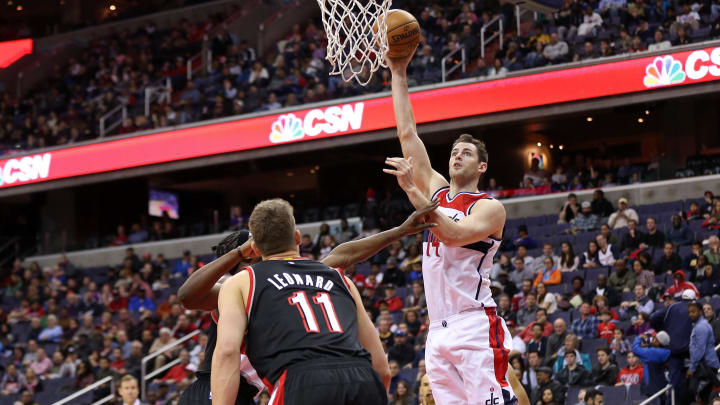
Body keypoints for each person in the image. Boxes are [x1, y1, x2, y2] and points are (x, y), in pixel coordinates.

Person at [180, 204, 438, 405]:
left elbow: (343, 254)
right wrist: (236, 253)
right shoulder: (236, 285)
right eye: (250, 254)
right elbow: (187, 296)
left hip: (267, 388)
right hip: (212, 390)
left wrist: (401, 231)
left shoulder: (291, 278)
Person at [385, 50, 516, 405]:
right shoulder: (438, 190)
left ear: (482, 167)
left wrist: (412, 190)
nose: (457, 155)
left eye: (467, 153)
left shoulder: (489, 207)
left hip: (474, 324)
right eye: (455, 151)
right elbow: (407, 133)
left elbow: (453, 234)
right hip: (437, 329)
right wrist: (398, 72)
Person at [211, 199, 391, 404]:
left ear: (255, 248)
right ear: (297, 238)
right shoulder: (341, 279)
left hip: (303, 380)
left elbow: (227, 352)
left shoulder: (242, 281)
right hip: (363, 379)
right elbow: (382, 368)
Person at [650, 290, 694, 402]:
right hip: (689, 350)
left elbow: (653, 318)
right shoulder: (695, 309)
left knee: (674, 384)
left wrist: (662, 331)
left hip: (672, 349)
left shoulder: (672, 307)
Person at [687, 301, 720, 402]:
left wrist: (692, 368)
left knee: (691, 391)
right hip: (704, 365)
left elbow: (700, 349)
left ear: (700, 312)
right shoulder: (698, 325)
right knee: (704, 395)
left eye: (693, 312)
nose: (690, 314)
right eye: (689, 312)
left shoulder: (701, 326)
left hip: (705, 365)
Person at [632, 331, 671, 400]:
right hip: (660, 385)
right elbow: (653, 347)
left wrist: (639, 338)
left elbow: (635, 349)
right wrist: (648, 342)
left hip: (652, 388)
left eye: (655, 338)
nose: (653, 339)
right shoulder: (665, 351)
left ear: (658, 342)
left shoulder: (654, 352)